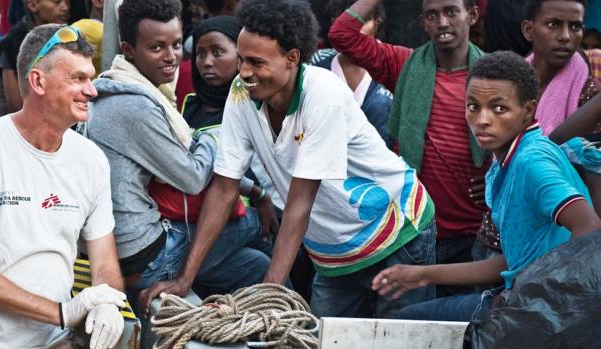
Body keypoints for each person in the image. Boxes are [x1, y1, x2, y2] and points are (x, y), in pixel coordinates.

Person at [150, 0, 437, 318]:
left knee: (397, 336)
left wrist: (268, 296)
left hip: (397, 232)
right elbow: (224, 187)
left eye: (256, 62)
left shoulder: (322, 95)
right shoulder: (241, 92)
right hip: (334, 252)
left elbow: (300, 203)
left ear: (292, 58)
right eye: (242, 59)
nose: (244, 72)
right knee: (322, 338)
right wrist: (184, 279)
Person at [0, 24, 126, 349]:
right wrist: (63, 312)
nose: (92, 90)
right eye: (78, 78)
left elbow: (104, 263)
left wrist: (106, 301)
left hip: (51, 342)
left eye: (91, 78)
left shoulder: (91, 160)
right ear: (38, 81)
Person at [372, 51, 601, 322]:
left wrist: (544, 297)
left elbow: (589, 229)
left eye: (498, 108)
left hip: (542, 311)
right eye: (473, 106)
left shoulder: (531, 163)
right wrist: (423, 274)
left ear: (528, 111)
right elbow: (512, 263)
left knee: (403, 325)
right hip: (522, 300)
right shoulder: (508, 157)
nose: (482, 119)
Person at [86, 0, 272, 313]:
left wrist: (254, 190)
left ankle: (291, 326)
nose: (171, 57)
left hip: (125, 247)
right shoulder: (136, 106)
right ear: (129, 50)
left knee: (257, 265)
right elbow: (193, 177)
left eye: (175, 44)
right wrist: (212, 138)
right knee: (260, 224)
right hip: (146, 255)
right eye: (156, 47)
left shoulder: (120, 88)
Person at [329, 0, 491, 297]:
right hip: (414, 230)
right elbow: (342, 34)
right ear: (423, 23)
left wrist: (496, 177)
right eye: (432, 15)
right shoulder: (404, 63)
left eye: (451, 11)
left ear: (473, 15)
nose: (442, 22)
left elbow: (520, 138)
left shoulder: (493, 74)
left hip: (473, 233)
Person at [310, 0, 393, 146]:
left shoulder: (393, 64)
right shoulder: (317, 63)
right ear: (335, 22)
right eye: (347, 19)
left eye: (364, 20)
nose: (355, 28)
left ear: (377, 21)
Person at [521, 0, 599, 136]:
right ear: (528, 30)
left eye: (575, 27)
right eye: (553, 24)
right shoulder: (508, 85)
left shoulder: (591, 96)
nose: (565, 36)